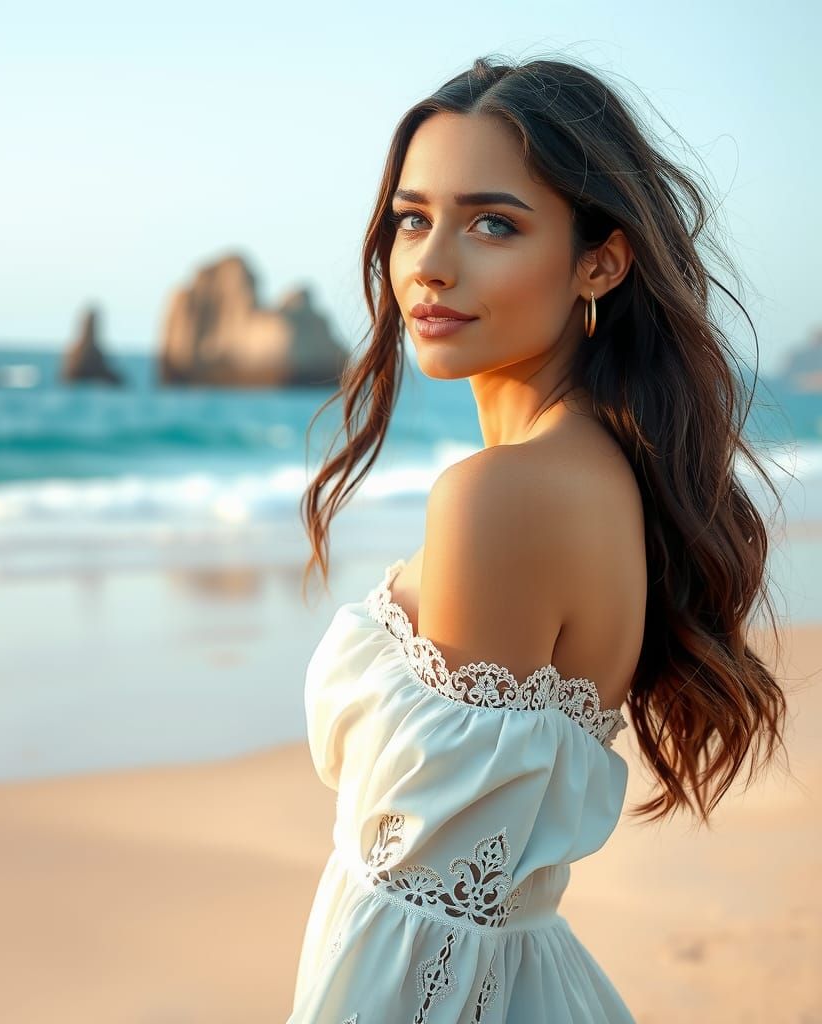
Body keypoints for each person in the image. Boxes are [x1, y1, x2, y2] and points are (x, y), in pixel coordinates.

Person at [290, 54, 790, 1023]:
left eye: (492, 223)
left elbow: (420, 925)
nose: (430, 263)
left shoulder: (502, 497)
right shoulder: (600, 470)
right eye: (411, 217)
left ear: (600, 260)